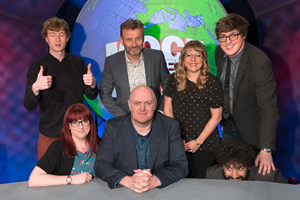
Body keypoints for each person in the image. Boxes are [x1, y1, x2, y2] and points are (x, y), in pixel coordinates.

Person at [24, 17, 98, 160]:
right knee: (47, 177)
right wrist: (36, 88)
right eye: (52, 34)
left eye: (61, 34)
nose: (57, 39)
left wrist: (93, 83)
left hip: (77, 133)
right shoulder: (37, 67)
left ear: (67, 38)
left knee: (81, 177)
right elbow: (28, 104)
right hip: (50, 134)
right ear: (46, 38)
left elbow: (91, 95)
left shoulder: (78, 63)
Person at [214, 13, 279, 176]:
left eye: (233, 35)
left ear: (243, 35)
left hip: (252, 131)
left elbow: (269, 108)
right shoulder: (219, 53)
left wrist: (266, 149)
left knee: (252, 177)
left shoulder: (259, 62)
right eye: (223, 37)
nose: (228, 42)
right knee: (230, 174)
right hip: (228, 125)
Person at [94, 85, 188, 193]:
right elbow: (101, 165)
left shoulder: (170, 126)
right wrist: (128, 181)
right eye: (137, 103)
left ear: (155, 105)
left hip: (161, 192)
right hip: (124, 192)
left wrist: (155, 180)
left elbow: (181, 165)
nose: (142, 108)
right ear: (130, 105)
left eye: (148, 103)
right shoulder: (113, 127)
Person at [164, 40, 223, 178]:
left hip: (205, 144)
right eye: (189, 55)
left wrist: (198, 142)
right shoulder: (174, 80)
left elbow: (217, 117)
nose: (193, 59)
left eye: (198, 55)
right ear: (183, 59)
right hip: (178, 143)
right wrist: (177, 138)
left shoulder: (212, 83)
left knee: (202, 185)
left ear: (203, 59)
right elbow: (168, 111)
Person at [99, 18, 170, 117]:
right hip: (125, 120)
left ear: (143, 38)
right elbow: (104, 94)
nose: (134, 44)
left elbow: (169, 87)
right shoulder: (112, 62)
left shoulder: (156, 57)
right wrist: (123, 117)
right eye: (129, 39)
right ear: (121, 40)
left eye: (138, 38)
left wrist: (160, 111)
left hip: (155, 118)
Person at [28, 103, 100, 187]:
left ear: (90, 124)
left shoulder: (102, 145)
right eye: (75, 122)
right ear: (68, 126)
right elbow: (34, 180)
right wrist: (71, 179)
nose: (81, 126)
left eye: (85, 121)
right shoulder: (58, 147)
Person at [205, 140, 288, 183]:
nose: (234, 176)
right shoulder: (212, 175)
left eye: (240, 168)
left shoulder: (268, 177)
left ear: (248, 166)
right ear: (221, 167)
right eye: (229, 168)